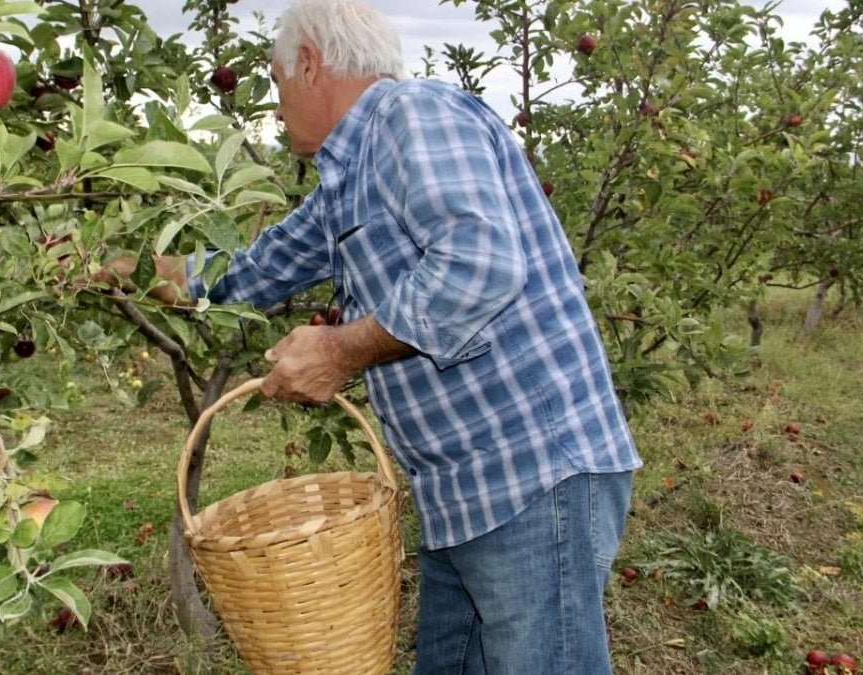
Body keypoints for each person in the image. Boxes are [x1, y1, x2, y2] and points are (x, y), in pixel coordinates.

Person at [106, 0, 643, 671]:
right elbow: (240, 275)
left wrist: (337, 349)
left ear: (309, 64)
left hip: (531, 474)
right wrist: (114, 270)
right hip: (463, 494)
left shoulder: (409, 116)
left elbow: (480, 262)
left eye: (275, 84)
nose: (276, 109)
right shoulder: (346, 183)